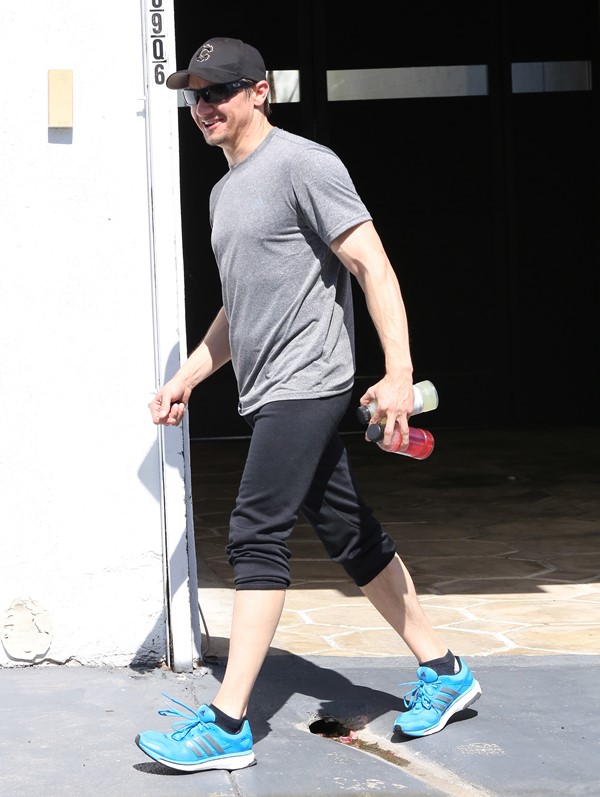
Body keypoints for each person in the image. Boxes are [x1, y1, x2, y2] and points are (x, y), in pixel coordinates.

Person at [136, 36, 481, 773]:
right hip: (267, 388)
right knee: (350, 532)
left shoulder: (305, 165)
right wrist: (189, 375)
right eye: (195, 95)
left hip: (310, 380)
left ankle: (228, 724)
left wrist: (399, 372)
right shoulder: (224, 191)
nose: (204, 106)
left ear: (260, 91)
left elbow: (372, 265)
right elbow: (239, 308)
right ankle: (446, 670)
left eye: (219, 91)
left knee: (254, 529)